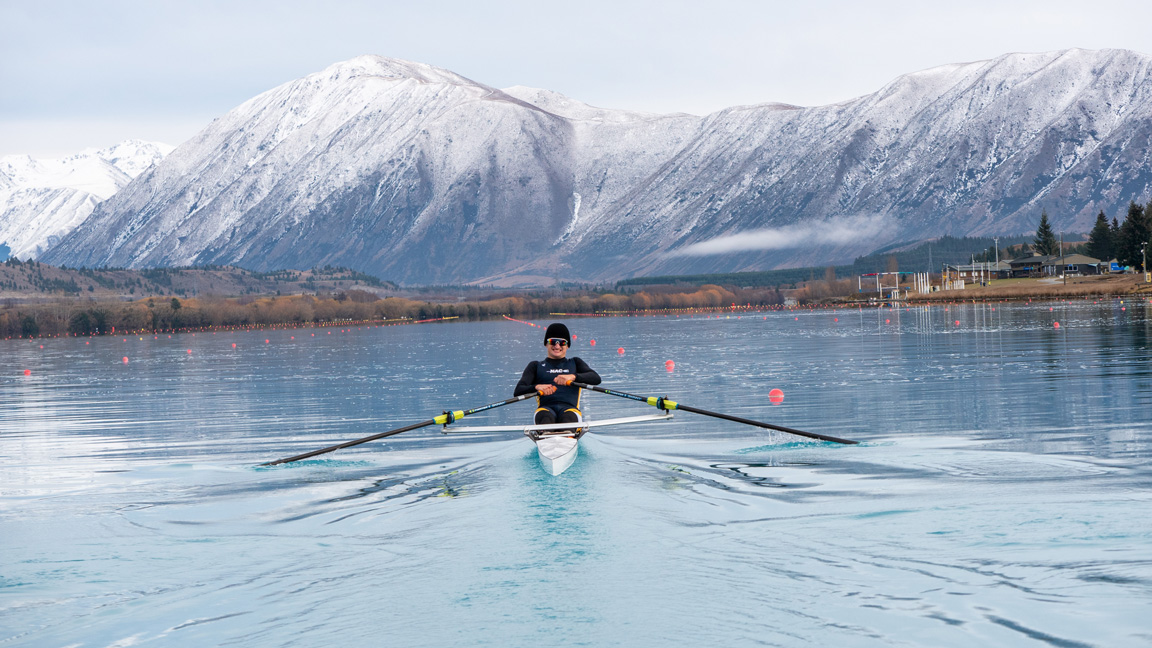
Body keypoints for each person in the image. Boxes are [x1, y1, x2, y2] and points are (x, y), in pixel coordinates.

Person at [514, 322, 601, 430]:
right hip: (545, 410)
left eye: (562, 342)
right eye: (552, 341)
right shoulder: (535, 366)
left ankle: (562, 437)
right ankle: (548, 437)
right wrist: (536, 387)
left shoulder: (575, 362)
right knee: (546, 418)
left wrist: (573, 377)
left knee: (567, 418)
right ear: (546, 344)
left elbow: (596, 379)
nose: (557, 346)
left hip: (570, 410)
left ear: (567, 346)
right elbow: (518, 391)